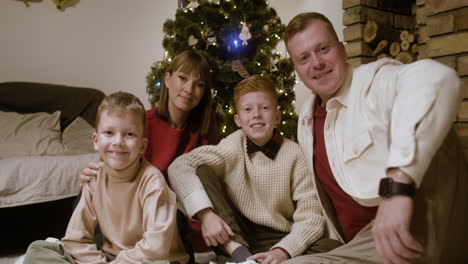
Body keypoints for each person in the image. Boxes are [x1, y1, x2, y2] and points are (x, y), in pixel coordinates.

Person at [283, 12, 468, 264]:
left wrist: (397, 188)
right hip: (358, 247)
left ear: (342, 49)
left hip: (413, 229)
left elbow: (436, 79)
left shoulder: (375, 81)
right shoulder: (305, 121)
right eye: (304, 58)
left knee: (430, 126)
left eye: (323, 49)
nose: (316, 62)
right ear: (297, 70)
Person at [168, 75, 342, 264]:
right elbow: (179, 166)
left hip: (280, 235)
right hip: (237, 234)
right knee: (202, 171)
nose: (256, 115)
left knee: (333, 249)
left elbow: (312, 217)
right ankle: (240, 255)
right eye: (247, 109)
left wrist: (282, 251)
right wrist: (205, 214)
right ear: (238, 120)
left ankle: (253, 260)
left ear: (277, 116)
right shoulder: (233, 145)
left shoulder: (294, 154)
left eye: (264, 108)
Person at [79, 50, 219, 263]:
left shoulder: (206, 129)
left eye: (199, 84)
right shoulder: (141, 124)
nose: (189, 89)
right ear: (168, 79)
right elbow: (114, 166)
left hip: (173, 214)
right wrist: (95, 177)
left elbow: (212, 182)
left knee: (173, 221)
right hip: (130, 209)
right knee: (81, 205)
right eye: (182, 78)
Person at [23, 92, 189, 264]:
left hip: (151, 260)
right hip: (109, 258)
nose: (118, 141)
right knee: (38, 250)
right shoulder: (95, 178)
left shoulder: (152, 181)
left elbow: (156, 247)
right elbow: (75, 239)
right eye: (109, 132)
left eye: (129, 134)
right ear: (96, 140)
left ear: (142, 145)